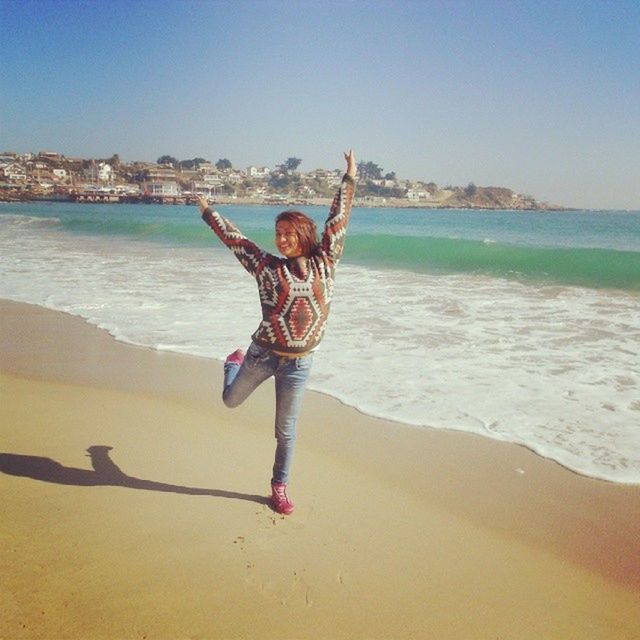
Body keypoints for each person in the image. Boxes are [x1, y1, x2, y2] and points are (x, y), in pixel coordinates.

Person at [196, 151, 356, 515]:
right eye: (278, 234)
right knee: (230, 401)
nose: (281, 240)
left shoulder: (326, 261)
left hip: (299, 365)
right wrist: (208, 213)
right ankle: (232, 363)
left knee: (286, 431)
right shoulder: (266, 267)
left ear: (302, 234)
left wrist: (350, 176)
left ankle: (279, 486)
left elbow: (338, 218)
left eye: (287, 234)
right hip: (262, 356)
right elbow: (235, 240)